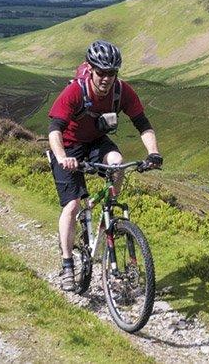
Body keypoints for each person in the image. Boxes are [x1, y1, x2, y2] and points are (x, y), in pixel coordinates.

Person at [47, 40, 162, 291]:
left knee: (117, 164)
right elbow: (54, 129)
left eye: (112, 73)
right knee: (72, 204)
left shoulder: (121, 91)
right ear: (90, 69)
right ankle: (68, 264)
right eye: (101, 72)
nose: (106, 78)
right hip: (69, 146)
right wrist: (62, 156)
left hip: (97, 141)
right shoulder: (75, 92)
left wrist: (153, 153)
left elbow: (143, 124)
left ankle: (107, 207)